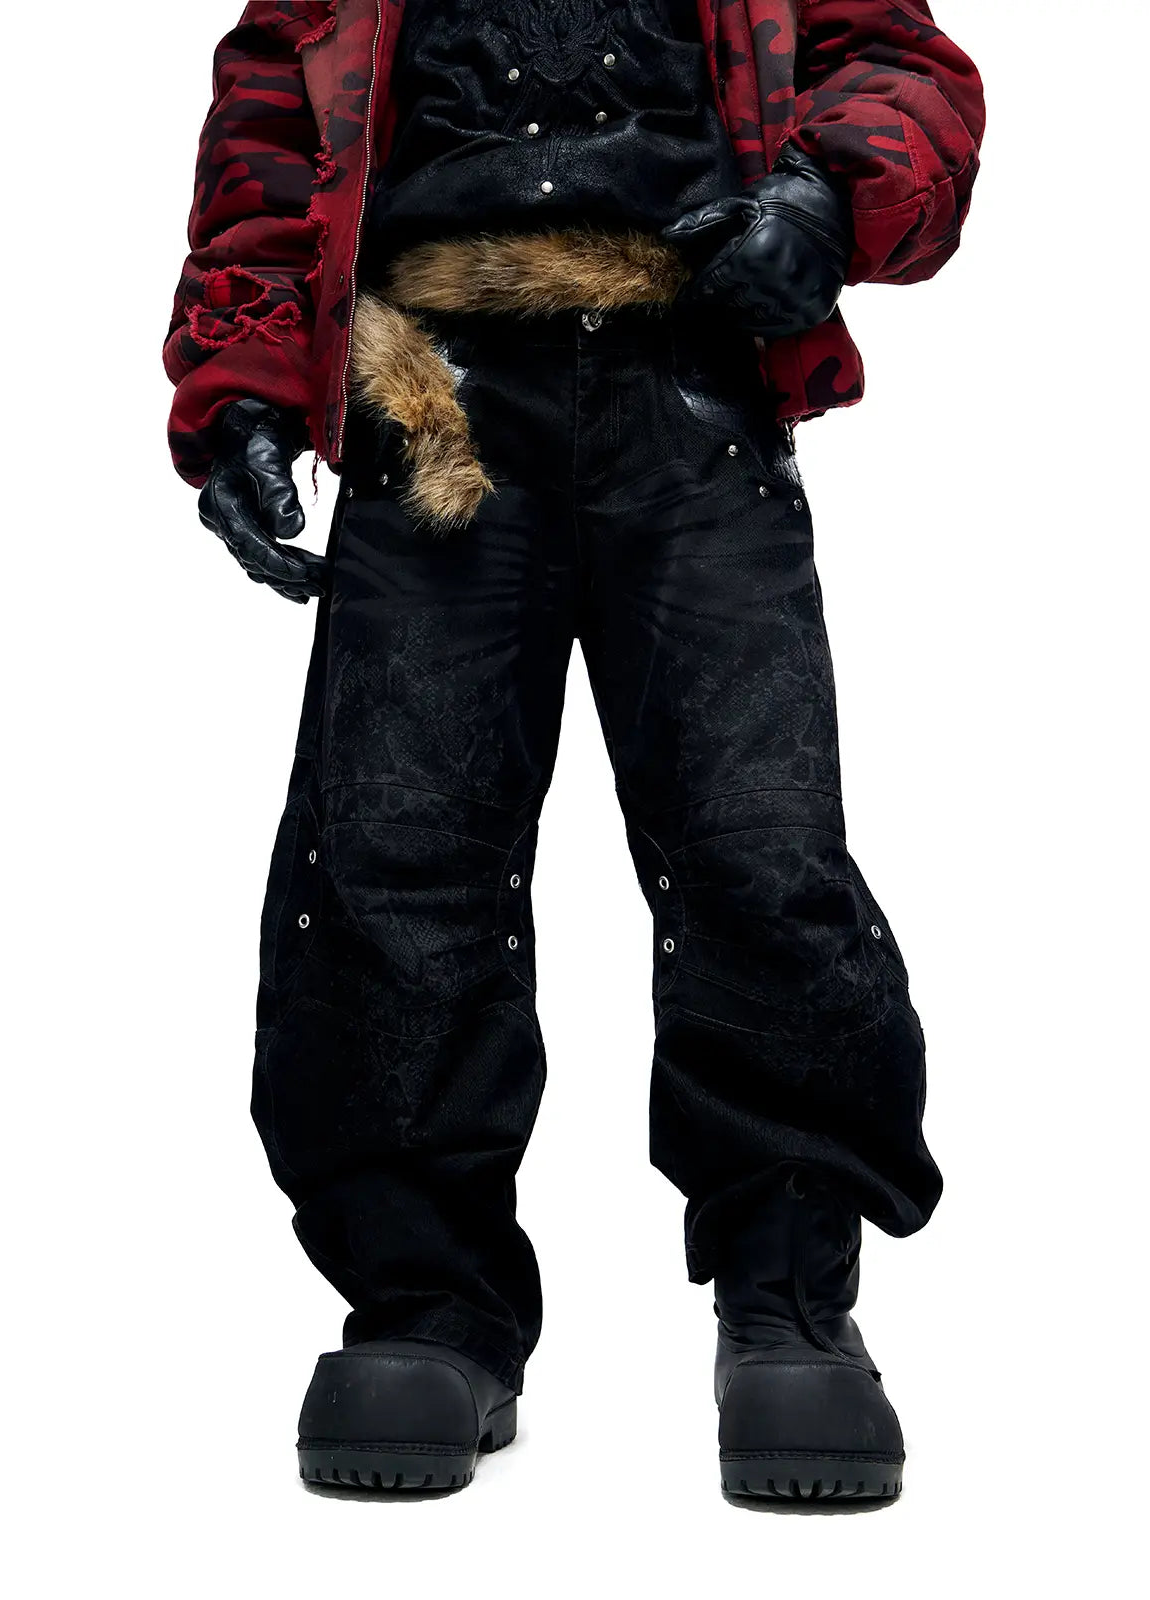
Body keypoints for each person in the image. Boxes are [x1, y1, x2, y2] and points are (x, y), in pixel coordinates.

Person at [164, 0, 984, 1501]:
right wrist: (246, 388)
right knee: (393, 846)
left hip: (695, 380)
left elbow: (893, 60)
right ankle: (425, 1301)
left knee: (758, 841)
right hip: (427, 392)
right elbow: (277, 122)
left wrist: (825, 196)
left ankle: (790, 1294)